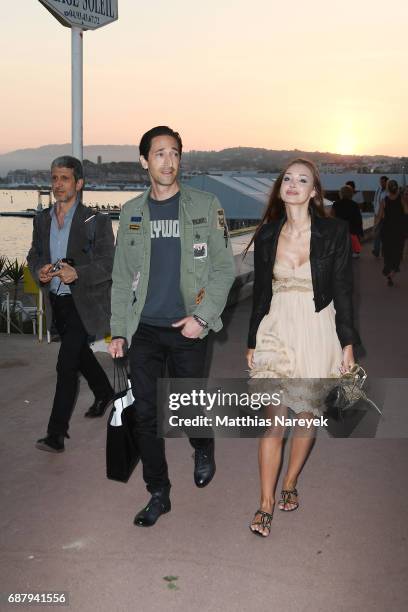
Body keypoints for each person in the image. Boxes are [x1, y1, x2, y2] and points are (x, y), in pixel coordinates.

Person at [108, 126, 235, 527]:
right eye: (159, 153)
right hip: (144, 328)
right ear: (144, 160)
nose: (168, 161)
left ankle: (202, 444)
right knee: (147, 415)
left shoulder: (205, 204)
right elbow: (120, 276)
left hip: (187, 328)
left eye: (175, 153)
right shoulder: (131, 212)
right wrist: (118, 330)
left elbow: (223, 267)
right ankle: (158, 492)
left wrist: (202, 318)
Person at [245, 158, 360, 537]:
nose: (293, 184)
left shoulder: (333, 232)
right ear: (281, 188)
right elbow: (260, 293)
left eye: (303, 180)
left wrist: (347, 344)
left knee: (306, 416)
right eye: (288, 179)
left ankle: (290, 481)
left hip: (316, 325)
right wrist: (251, 341)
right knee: (274, 421)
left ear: (313, 192)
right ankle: (264, 503)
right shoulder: (267, 235)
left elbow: (343, 290)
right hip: (276, 326)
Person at [27, 156, 115, 452]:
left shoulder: (96, 221)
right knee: (78, 355)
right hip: (57, 302)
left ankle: (56, 434)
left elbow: (108, 264)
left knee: (65, 364)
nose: (57, 184)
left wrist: (78, 272)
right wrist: (38, 269)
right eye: (54, 178)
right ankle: (104, 392)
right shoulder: (41, 220)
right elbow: (34, 255)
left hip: (84, 303)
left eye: (64, 178)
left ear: (79, 183)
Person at [378, 179, 405, 286]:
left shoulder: (384, 200)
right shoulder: (401, 199)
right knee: (397, 250)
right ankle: (392, 271)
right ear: (397, 188)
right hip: (398, 229)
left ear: (388, 189)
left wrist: (375, 227)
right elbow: (406, 211)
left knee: (387, 249)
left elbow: (380, 216)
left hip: (387, 229)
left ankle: (387, 266)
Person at [332, 185, 364, 257]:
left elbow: (332, 218)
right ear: (351, 194)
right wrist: (360, 232)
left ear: (341, 193)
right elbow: (358, 219)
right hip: (352, 231)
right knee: (354, 253)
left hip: (340, 231)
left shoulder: (336, 204)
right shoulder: (354, 205)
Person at [372, 176, 388, 257]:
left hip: (386, 216)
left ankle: (383, 251)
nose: (381, 183)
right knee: (376, 233)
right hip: (378, 215)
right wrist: (375, 212)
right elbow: (375, 201)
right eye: (380, 181)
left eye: (383, 182)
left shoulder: (389, 191)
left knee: (384, 234)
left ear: (386, 182)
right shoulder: (378, 189)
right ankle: (376, 250)